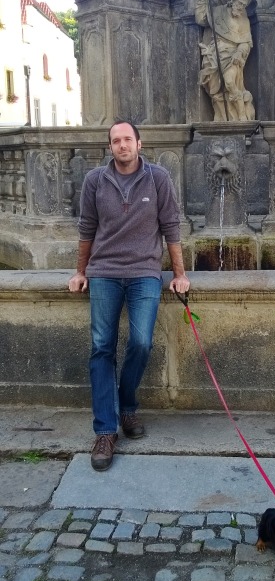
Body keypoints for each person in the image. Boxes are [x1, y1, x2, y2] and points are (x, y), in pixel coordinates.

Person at [68, 121, 190, 471]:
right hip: (104, 272)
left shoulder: (158, 178)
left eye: (127, 139)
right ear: (110, 146)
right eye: (115, 141)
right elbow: (87, 229)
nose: (122, 145)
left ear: (139, 143)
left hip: (144, 273)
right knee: (101, 347)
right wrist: (80, 271)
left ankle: (127, 405)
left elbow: (171, 227)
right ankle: (106, 431)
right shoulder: (95, 180)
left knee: (141, 342)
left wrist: (180, 274)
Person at [195, 0, 256, 122]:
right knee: (214, 88)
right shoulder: (218, 12)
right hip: (214, 54)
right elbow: (200, 19)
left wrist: (239, 53)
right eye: (239, 3)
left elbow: (246, 42)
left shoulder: (244, 21)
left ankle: (241, 114)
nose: (240, 8)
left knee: (229, 82)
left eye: (244, 5)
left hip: (232, 57)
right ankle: (221, 116)